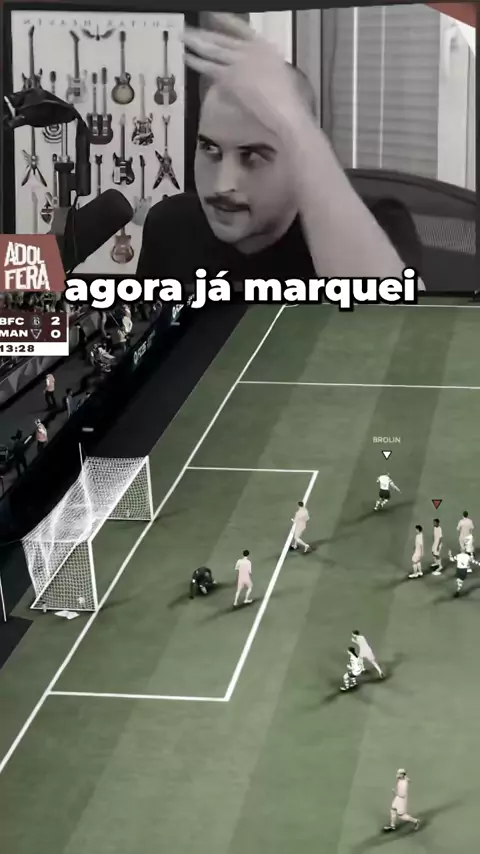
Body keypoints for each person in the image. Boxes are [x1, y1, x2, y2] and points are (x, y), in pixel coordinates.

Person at [137, 14, 419, 288]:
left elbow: (393, 315)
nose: (222, 185)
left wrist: (298, 125)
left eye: (252, 157)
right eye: (210, 149)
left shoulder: (379, 224)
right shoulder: (170, 226)